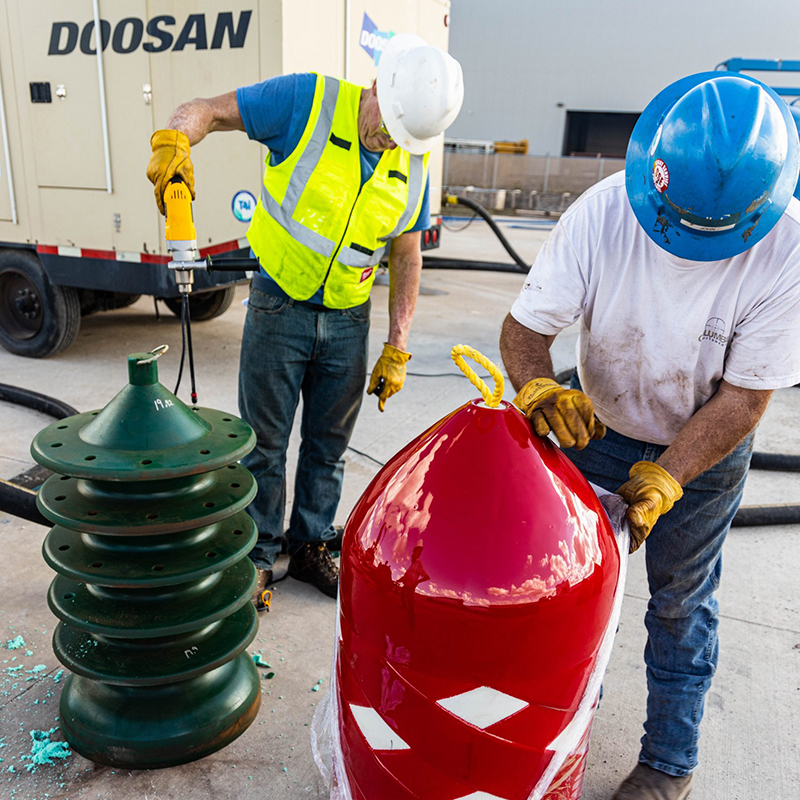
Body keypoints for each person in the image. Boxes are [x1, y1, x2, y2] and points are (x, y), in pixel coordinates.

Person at [500, 72, 800, 800]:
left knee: (680, 602)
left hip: (705, 447)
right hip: (595, 428)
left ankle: (669, 761)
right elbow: (525, 329)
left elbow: (745, 397)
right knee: (568, 590)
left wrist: (671, 474)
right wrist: (539, 386)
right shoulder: (603, 215)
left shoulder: (787, 248)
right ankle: (562, 726)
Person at [146, 34, 464, 601]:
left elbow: (407, 252)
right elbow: (207, 111)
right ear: (375, 87)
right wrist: (175, 140)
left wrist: (398, 345)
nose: (389, 141)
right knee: (264, 443)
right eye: (387, 124)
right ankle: (261, 552)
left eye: (403, 136)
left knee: (328, 448)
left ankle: (313, 542)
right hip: (278, 307)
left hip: (349, 321)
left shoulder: (412, 160)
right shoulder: (305, 102)